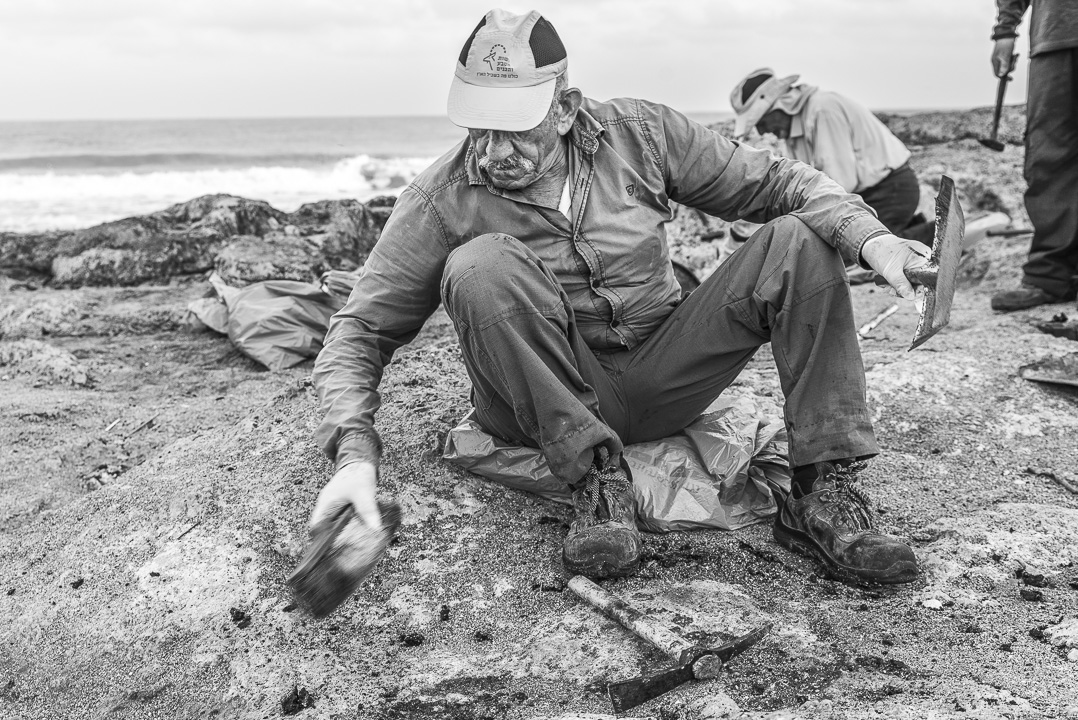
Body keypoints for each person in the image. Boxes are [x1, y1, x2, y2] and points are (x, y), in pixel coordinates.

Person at [310, 9, 930, 585]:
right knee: (479, 265)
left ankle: (822, 494)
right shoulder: (439, 198)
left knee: (801, 241)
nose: (494, 151)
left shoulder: (642, 134)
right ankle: (599, 488)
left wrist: (872, 240)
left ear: (565, 109)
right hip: (541, 408)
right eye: (480, 128)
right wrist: (353, 455)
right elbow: (360, 328)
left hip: (665, 374)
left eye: (515, 128)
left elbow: (780, 184)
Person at [729, 70, 923, 241]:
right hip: (867, 194)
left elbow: (839, 184)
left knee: (853, 256)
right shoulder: (793, 130)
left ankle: (930, 235)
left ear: (779, 108)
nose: (763, 132)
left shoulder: (823, 110)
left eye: (762, 122)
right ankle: (910, 228)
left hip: (891, 191)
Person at [988, 0, 1078, 312]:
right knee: (1048, 157)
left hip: (1052, 38)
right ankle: (1050, 276)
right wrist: (1005, 29)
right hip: (1053, 37)